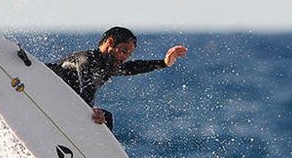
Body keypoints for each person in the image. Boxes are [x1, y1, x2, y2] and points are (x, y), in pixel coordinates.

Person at [46, 27, 188, 131]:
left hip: (63, 104)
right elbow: (87, 89)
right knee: (100, 117)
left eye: (129, 54)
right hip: (44, 93)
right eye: (124, 51)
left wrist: (163, 63)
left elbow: (133, 67)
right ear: (110, 42)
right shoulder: (87, 60)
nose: (125, 58)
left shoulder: (106, 66)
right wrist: (90, 111)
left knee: (106, 118)